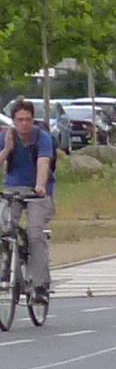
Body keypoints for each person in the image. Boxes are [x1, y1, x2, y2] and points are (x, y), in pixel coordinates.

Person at [0, 101, 54, 306]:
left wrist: (40, 185)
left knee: (34, 233)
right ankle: (7, 269)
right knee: (3, 227)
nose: (24, 124)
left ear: (33, 120)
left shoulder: (42, 138)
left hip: (38, 193)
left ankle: (40, 286)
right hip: (13, 189)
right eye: (19, 120)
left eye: (28, 120)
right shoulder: (6, 137)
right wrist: (7, 149)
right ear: (13, 121)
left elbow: (43, 163)